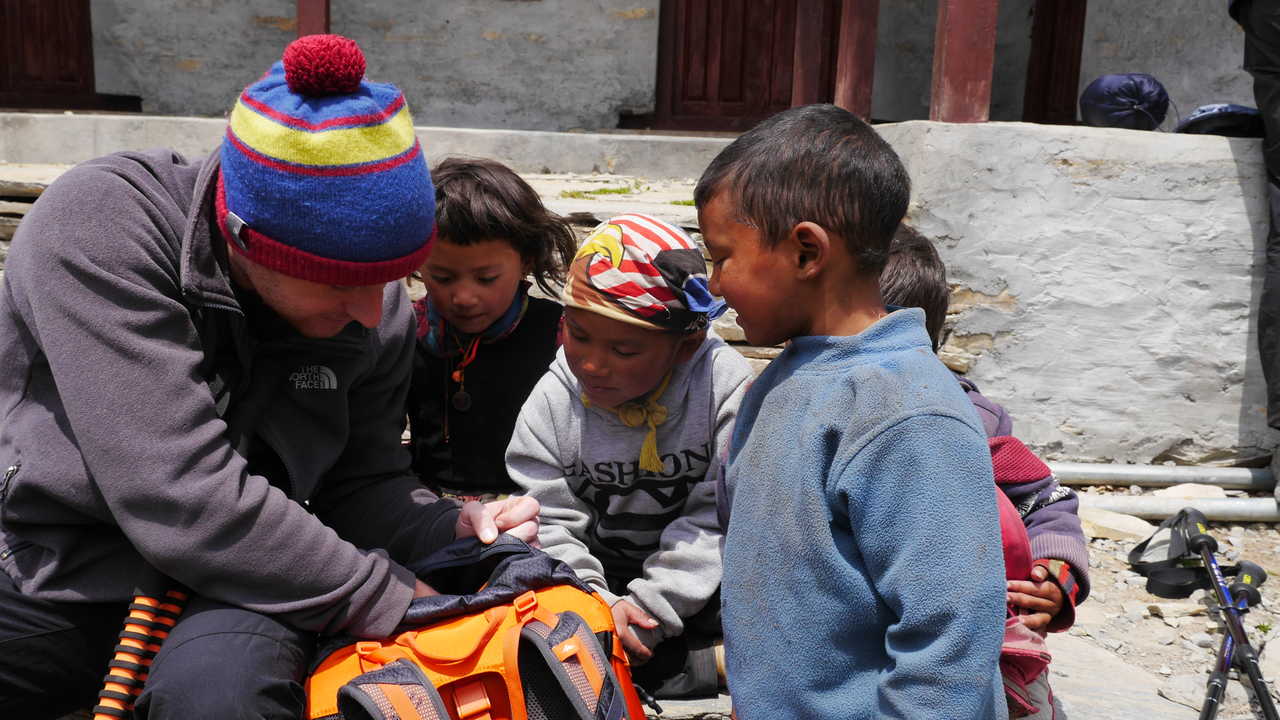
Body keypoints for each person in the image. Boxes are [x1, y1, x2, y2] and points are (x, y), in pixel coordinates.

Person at [0, 35, 537, 720]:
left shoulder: (378, 311)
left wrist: (451, 528)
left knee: (222, 699)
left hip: (252, 584)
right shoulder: (103, 226)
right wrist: (394, 601)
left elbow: (362, 482)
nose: (373, 314)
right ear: (244, 236)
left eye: (392, 279)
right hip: (59, 566)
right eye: (341, 284)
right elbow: (179, 492)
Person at [697, 104, 1007, 719]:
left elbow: (950, 635)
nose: (713, 283)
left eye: (722, 256)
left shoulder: (906, 414)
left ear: (807, 252)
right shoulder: (791, 377)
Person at [506, 214, 754, 698]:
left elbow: (717, 519)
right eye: (578, 335)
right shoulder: (555, 398)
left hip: (693, 585)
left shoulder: (724, 390)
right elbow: (548, 518)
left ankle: (641, 660)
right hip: (590, 581)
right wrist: (598, 607)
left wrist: (651, 610)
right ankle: (695, 666)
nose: (593, 364)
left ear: (686, 346)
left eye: (623, 349)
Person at [880, 225, 1091, 718]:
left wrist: (1053, 577)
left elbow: (1046, 502)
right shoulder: (801, 415)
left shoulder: (973, 424)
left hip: (983, 644)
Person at [406, 157, 576, 501]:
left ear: (526, 260)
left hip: (532, 506)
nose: (464, 297)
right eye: (442, 277)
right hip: (426, 508)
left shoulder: (559, 335)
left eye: (486, 279)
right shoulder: (407, 332)